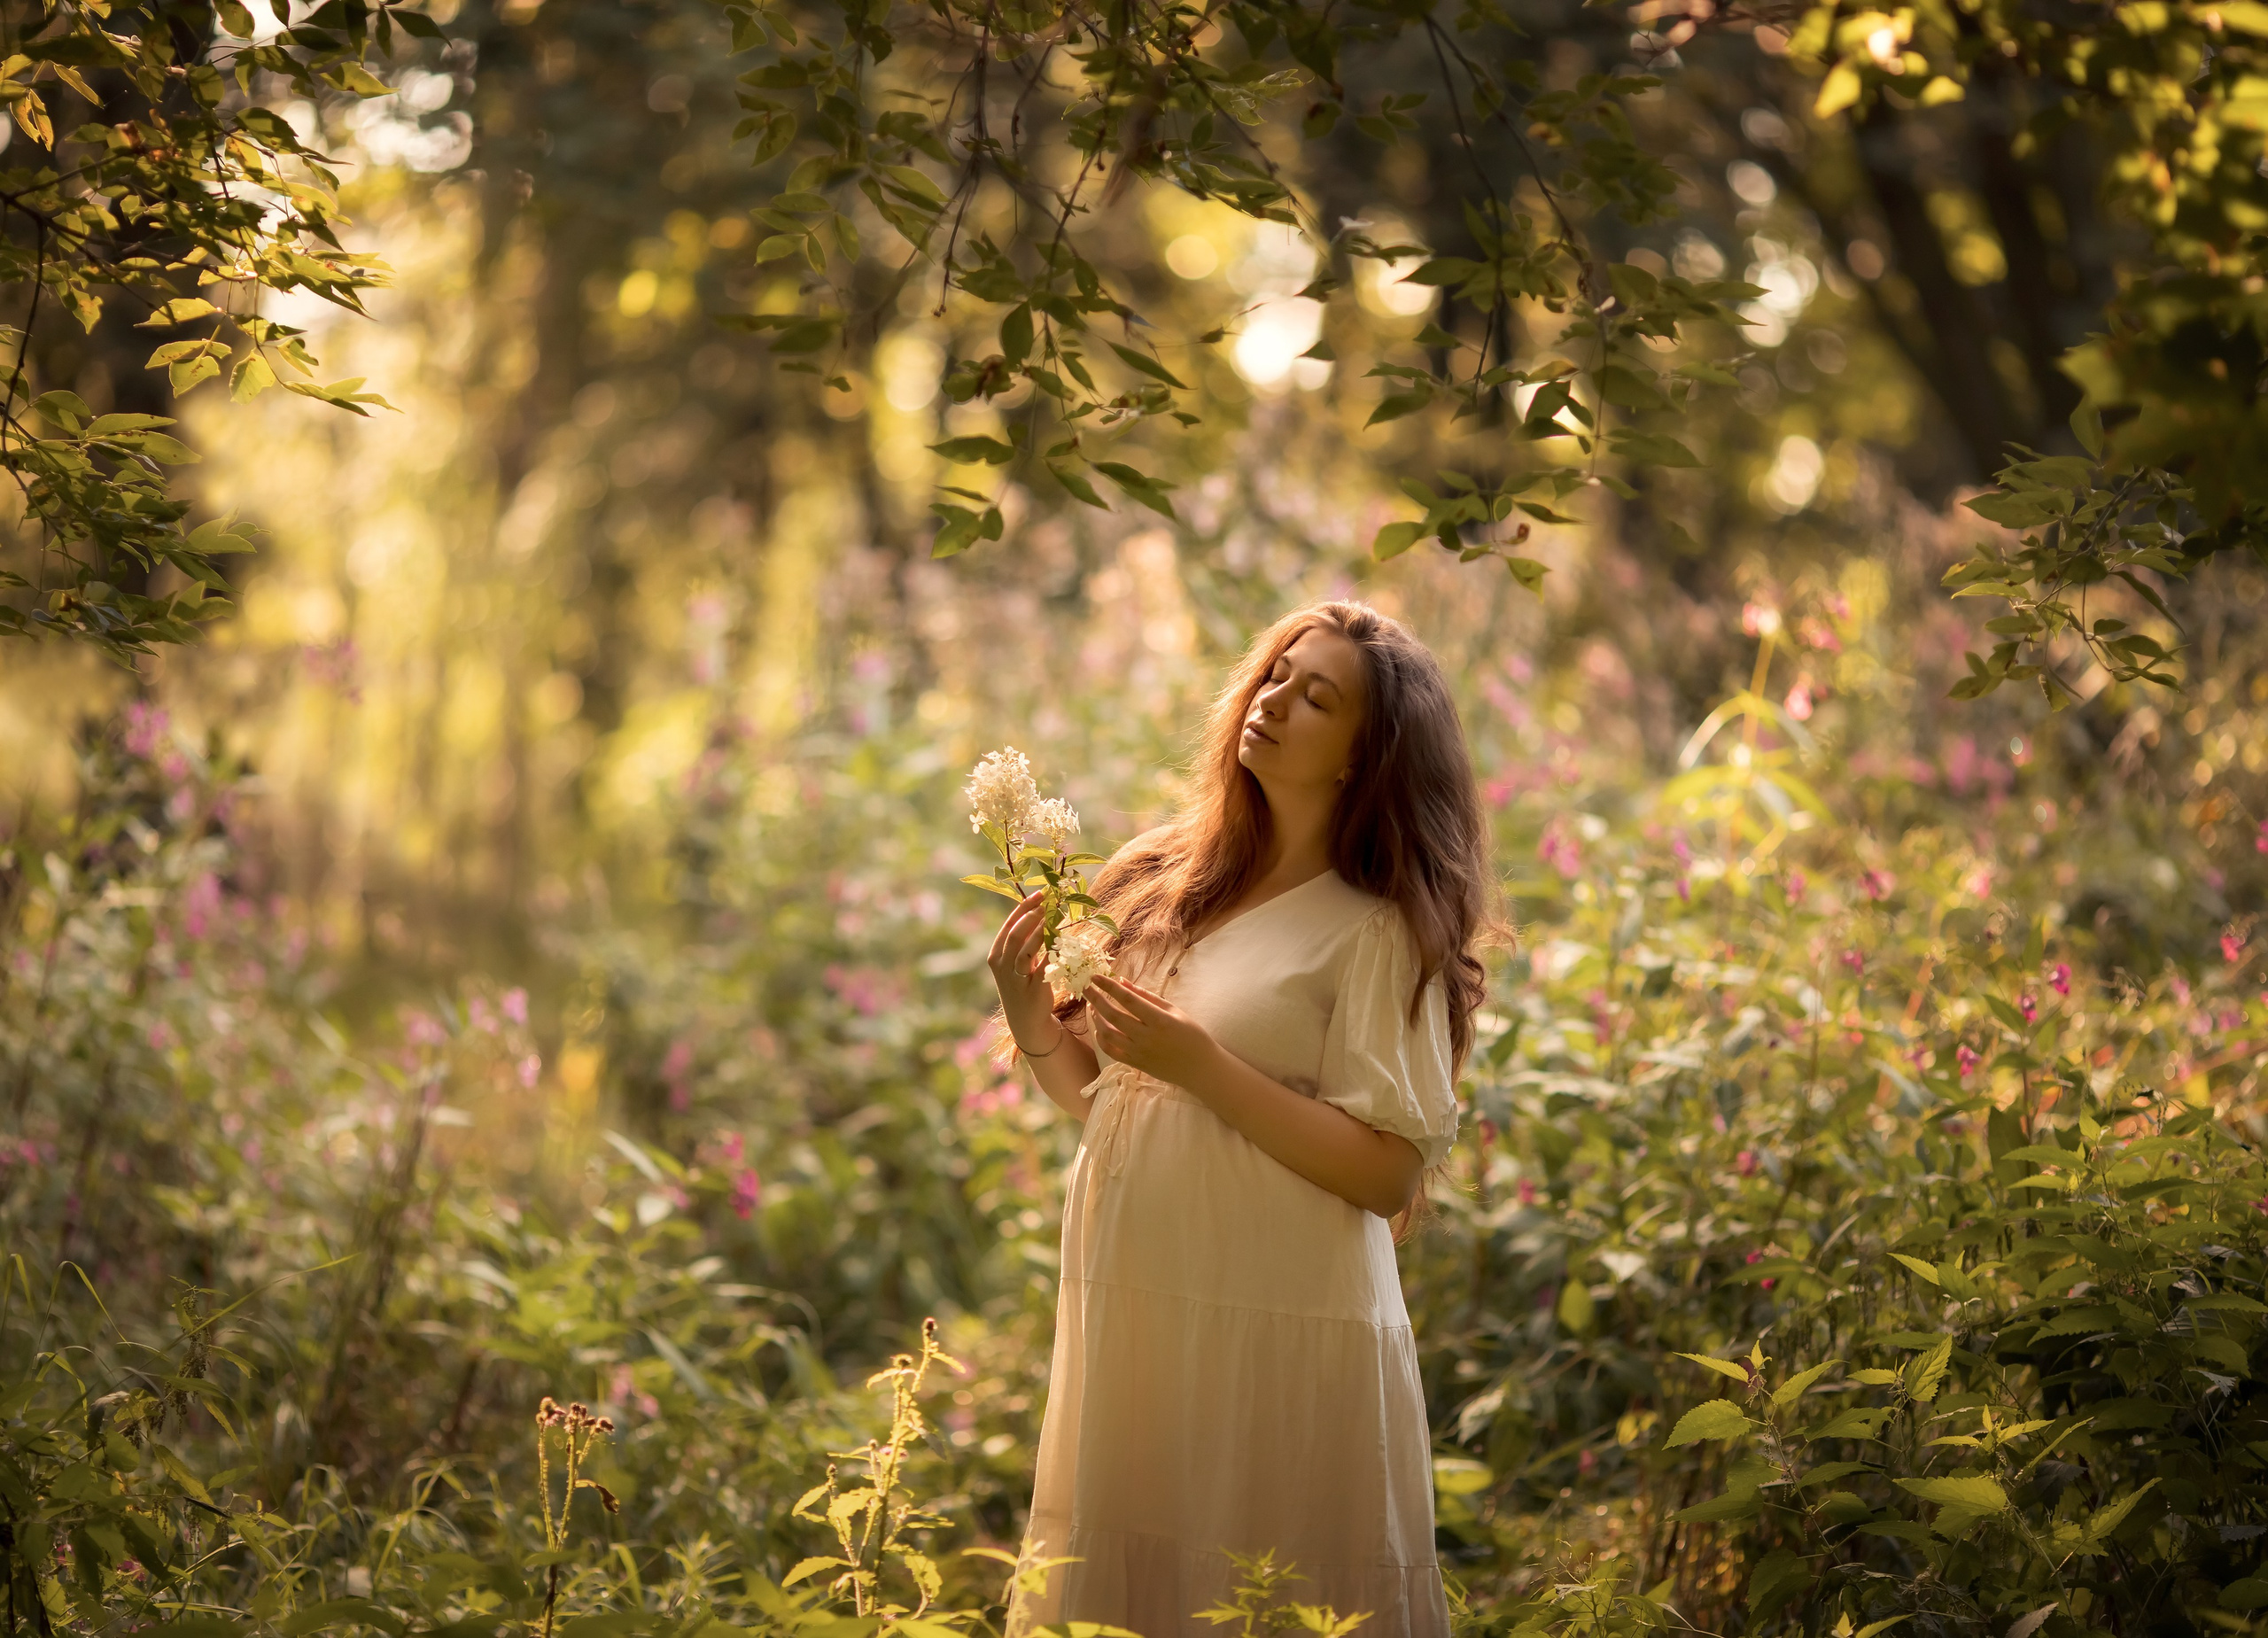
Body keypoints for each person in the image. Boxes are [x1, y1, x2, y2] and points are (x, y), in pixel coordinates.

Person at [986, 600, 1498, 1635]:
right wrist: (1029, 1015)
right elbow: (1109, 1103)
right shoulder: (1166, 880)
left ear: (1366, 755)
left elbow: (1388, 1174)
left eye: (1320, 697)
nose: (1276, 701)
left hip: (1278, 1325)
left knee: (1261, 1588)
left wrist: (1204, 1065)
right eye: (1274, 675)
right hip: (1141, 1308)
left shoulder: (1373, 929)